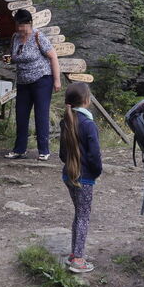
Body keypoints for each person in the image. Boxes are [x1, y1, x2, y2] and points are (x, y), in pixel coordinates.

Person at [5, 9, 61, 161]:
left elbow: (53, 57)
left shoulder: (38, 36)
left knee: (41, 114)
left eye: (23, 26)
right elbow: (12, 56)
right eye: (18, 25)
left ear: (30, 23)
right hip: (23, 82)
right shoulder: (15, 37)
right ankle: (19, 149)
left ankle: (43, 150)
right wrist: (5, 59)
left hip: (42, 80)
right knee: (21, 114)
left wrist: (57, 80)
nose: (20, 29)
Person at [59, 82, 103, 273]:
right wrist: (96, 171)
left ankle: (73, 253)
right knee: (83, 216)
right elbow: (95, 155)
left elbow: (62, 154)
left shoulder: (66, 121)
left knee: (79, 214)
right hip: (84, 178)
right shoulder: (88, 124)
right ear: (86, 100)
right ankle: (78, 258)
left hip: (69, 175)